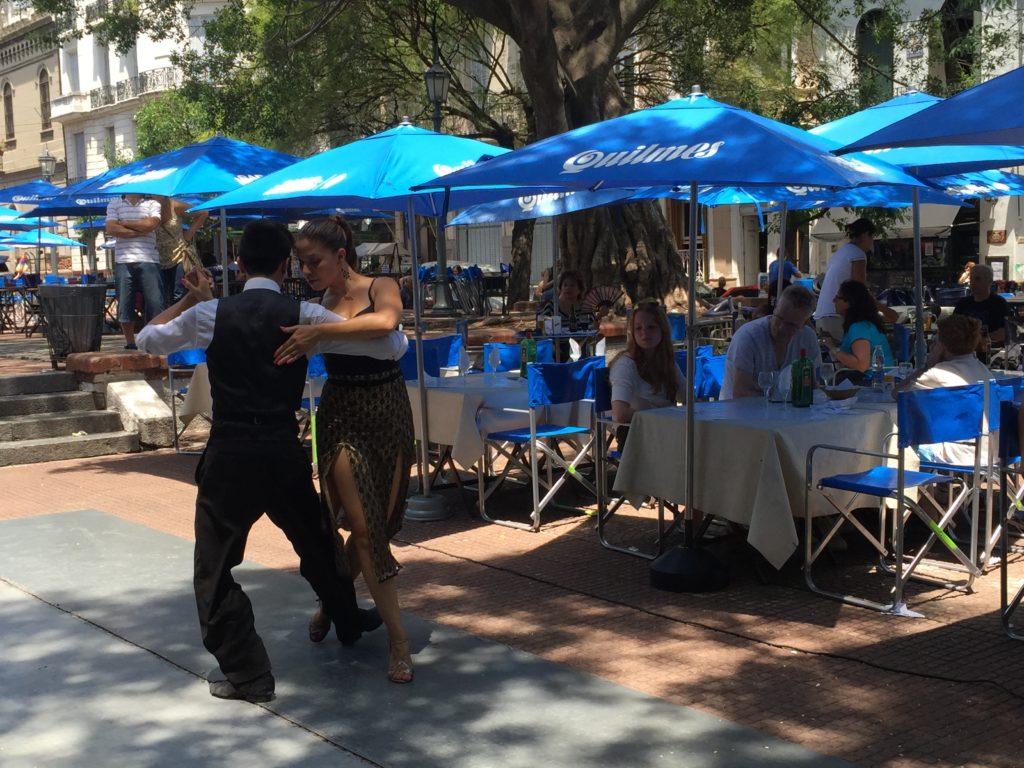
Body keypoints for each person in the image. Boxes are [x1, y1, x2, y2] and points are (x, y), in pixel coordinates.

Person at [136, 220, 405, 702]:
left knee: (214, 570)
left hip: (231, 455)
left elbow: (146, 341)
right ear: (286, 265)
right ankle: (347, 618)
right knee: (317, 543)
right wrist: (321, 338)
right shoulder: (305, 313)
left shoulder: (213, 313)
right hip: (282, 450)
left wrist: (189, 301)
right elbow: (392, 345)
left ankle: (250, 674)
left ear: (239, 264)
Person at [272, 215, 417, 684]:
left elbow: (388, 322)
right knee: (364, 526)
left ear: (340, 256)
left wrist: (322, 334)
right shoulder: (318, 305)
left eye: (313, 261)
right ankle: (398, 639)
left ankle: (334, 606)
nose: (307, 270)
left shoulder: (381, 285)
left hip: (388, 409)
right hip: (340, 413)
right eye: (299, 263)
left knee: (378, 524)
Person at [896, 315, 991, 466]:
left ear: (942, 345)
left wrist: (927, 365)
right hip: (990, 450)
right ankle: (941, 487)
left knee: (895, 437)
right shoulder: (982, 369)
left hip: (956, 453)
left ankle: (906, 487)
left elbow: (898, 394)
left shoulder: (937, 374)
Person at [720, 285, 821, 400]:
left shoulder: (807, 338)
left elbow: (812, 386)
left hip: (786, 414)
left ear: (804, 323)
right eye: (779, 317)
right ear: (775, 308)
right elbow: (741, 392)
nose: (781, 327)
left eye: (791, 325)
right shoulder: (749, 337)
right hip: (738, 413)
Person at [813, 217, 896, 342]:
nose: (872, 243)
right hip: (836, 317)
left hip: (822, 316)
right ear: (865, 235)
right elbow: (860, 292)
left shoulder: (840, 253)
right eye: (872, 238)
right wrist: (887, 312)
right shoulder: (857, 254)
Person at [609, 301, 686, 428]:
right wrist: (656, 415)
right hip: (637, 433)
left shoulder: (666, 361)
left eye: (651, 327)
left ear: (663, 330)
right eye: (638, 328)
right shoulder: (625, 365)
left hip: (668, 429)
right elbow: (620, 414)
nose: (644, 333)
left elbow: (687, 398)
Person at [105, 194, 164, 350]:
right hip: (123, 259)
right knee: (124, 303)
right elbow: (111, 228)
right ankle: (130, 343)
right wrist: (140, 229)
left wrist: (124, 224)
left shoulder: (153, 203)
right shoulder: (114, 202)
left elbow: (151, 225)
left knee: (155, 303)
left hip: (149, 258)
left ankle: (152, 340)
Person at [822, 279, 893, 379]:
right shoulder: (862, 324)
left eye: (838, 297)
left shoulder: (859, 327)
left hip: (872, 382)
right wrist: (834, 343)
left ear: (849, 302)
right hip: (878, 379)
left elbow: (861, 365)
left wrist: (832, 348)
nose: (834, 300)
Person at [155, 196, 209, 307]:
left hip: (179, 257)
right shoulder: (148, 208)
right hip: (158, 260)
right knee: (161, 299)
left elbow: (203, 213)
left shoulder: (175, 205)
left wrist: (188, 235)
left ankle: (180, 322)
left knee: (178, 295)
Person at [954, 263, 1008, 347]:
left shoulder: (999, 303)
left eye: (977, 279)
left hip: (990, 351)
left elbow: (1005, 332)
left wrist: (979, 338)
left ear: (989, 281)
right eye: (971, 279)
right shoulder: (963, 303)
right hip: (965, 352)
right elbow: (953, 328)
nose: (973, 283)